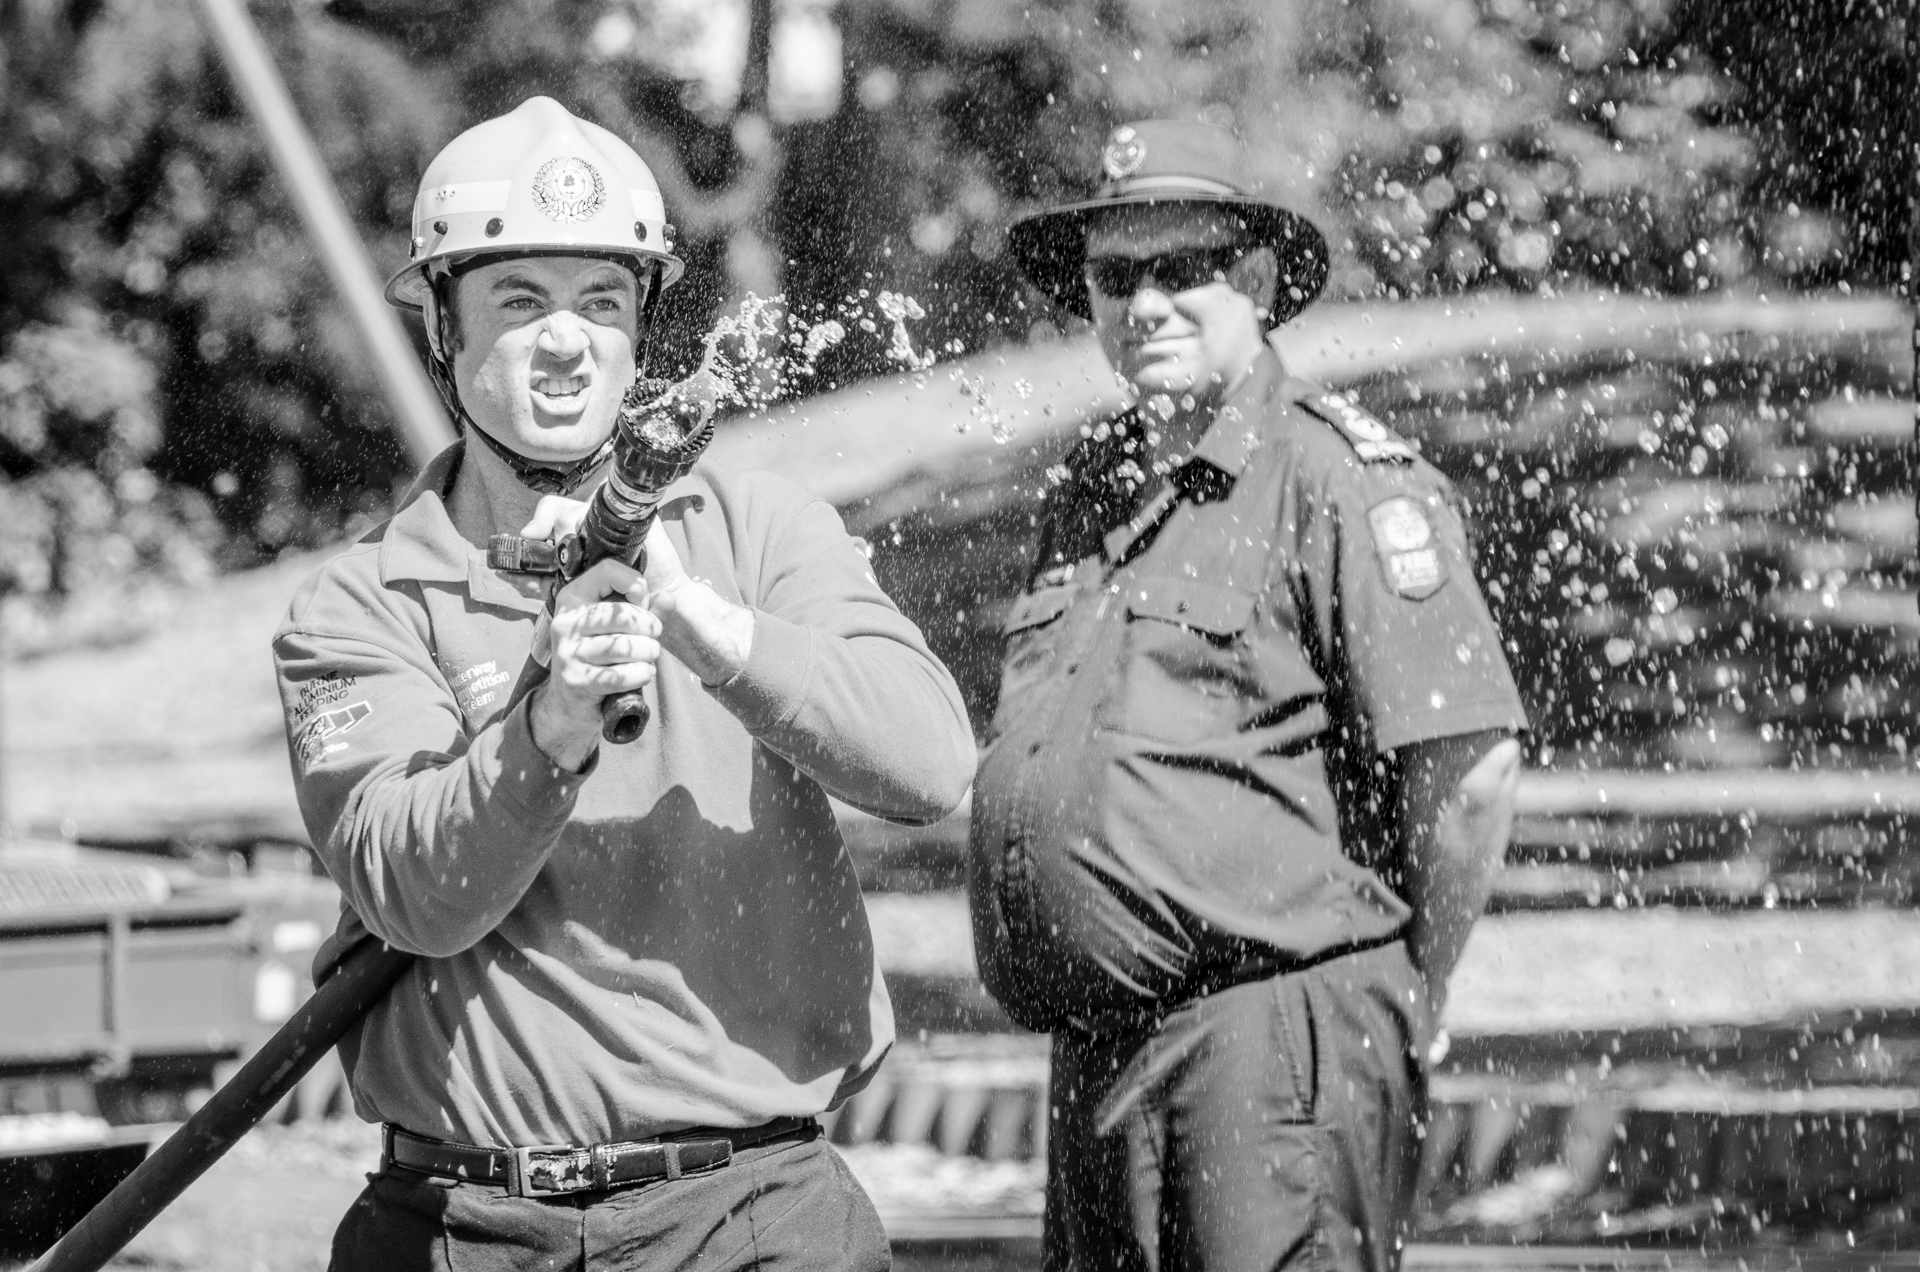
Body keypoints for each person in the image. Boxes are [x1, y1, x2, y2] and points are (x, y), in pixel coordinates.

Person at [273, 96, 975, 1271]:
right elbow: (413, 895)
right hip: (467, 1226)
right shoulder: (362, 602)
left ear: (642, 330)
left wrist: (703, 624)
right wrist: (545, 730)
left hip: (756, 1216)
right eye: (519, 300)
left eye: (601, 300)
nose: (567, 341)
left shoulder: (758, 530)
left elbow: (932, 764)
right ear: (441, 326)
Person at [971, 119, 1528, 1272]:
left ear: (1261, 283)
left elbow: (1469, 771)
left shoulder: (1337, 478)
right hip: (1099, 1053)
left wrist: (1412, 989)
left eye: (1184, 268)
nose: (1147, 304)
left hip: (1274, 1044)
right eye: (1116, 277)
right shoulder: (1090, 489)